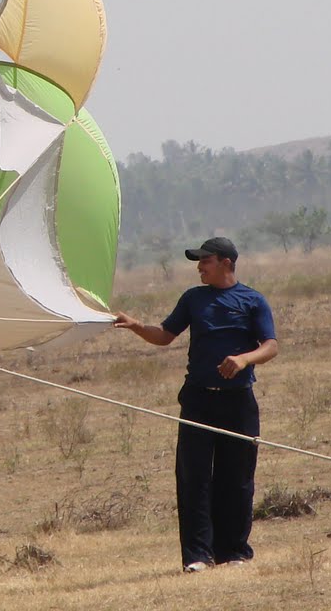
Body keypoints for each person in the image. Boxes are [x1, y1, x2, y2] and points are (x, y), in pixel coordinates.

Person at [113, 236, 277, 573]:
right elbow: (164, 335)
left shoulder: (253, 300)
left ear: (226, 263)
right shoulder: (193, 299)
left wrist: (244, 360)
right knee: (193, 477)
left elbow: (270, 346)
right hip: (198, 399)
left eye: (205, 261)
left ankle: (234, 552)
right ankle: (198, 556)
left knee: (237, 478)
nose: (199, 267)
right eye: (199, 262)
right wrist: (136, 327)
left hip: (238, 401)